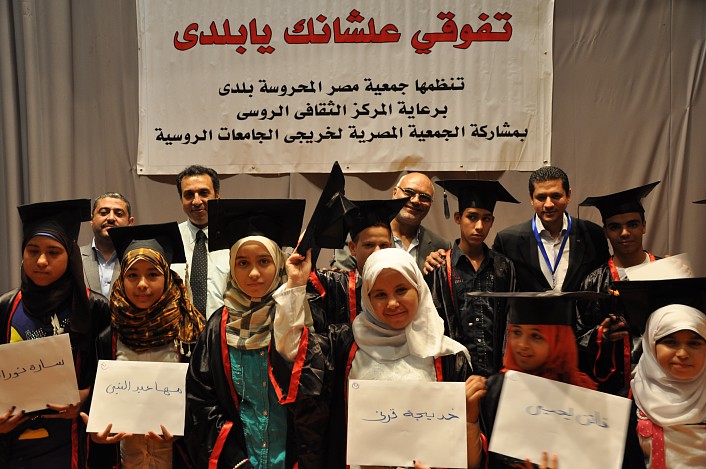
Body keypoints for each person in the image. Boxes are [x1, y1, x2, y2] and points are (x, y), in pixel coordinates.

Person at [271, 248, 484, 469]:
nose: (392, 303)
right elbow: (295, 352)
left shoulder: (449, 356)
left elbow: (469, 461)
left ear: (419, 288)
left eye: (401, 290)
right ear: (367, 298)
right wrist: (295, 285)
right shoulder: (343, 345)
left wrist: (470, 419)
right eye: (380, 294)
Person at [185, 198, 306, 469]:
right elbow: (201, 401)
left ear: (279, 263)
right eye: (242, 263)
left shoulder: (298, 315)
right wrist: (235, 461)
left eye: (264, 261)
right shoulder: (218, 327)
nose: (253, 273)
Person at [467, 292, 644, 468]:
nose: (522, 344)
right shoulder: (494, 391)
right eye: (516, 332)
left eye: (536, 336)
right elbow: (476, 463)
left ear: (559, 340)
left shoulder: (590, 404)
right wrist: (470, 420)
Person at [82, 222, 204, 468]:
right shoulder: (108, 337)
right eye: (132, 275)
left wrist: (186, 427)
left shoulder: (190, 333)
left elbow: (205, 400)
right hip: (126, 458)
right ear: (122, 278)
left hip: (178, 457)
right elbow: (98, 403)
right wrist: (96, 433)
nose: (142, 285)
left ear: (167, 277)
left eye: (152, 274)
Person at [0, 199, 111, 468]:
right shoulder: (6, 306)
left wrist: (85, 399)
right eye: (32, 251)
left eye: (53, 252)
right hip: (14, 441)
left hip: (73, 440)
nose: (41, 261)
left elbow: (108, 374)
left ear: (70, 255)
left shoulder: (94, 307)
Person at [426, 179, 519, 376]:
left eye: (486, 219)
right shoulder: (441, 267)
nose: (479, 226)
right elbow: (433, 326)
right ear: (458, 217)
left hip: (496, 373)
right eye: (472, 217)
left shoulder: (504, 267)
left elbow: (510, 321)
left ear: (492, 221)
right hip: (454, 375)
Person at [577, 182, 661, 393]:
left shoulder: (667, 272)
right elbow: (579, 335)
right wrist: (601, 335)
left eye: (632, 224)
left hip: (661, 384)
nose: (624, 233)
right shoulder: (593, 282)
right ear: (605, 231)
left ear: (644, 226)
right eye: (615, 227)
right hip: (613, 389)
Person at [614, 277, 706, 468]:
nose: (682, 354)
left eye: (695, 343)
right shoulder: (627, 405)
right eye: (670, 342)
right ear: (650, 345)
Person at [492, 166, 609, 292]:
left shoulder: (593, 235)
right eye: (541, 197)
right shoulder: (507, 241)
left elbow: (603, 282)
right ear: (531, 198)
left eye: (556, 196)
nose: (549, 204)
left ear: (568, 195)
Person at [307, 198, 408, 331]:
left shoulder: (404, 286)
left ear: (390, 246)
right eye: (369, 245)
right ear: (353, 248)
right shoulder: (335, 287)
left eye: (383, 245)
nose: (377, 252)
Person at [332, 172, 450, 272]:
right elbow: (345, 283)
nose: (415, 201)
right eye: (409, 192)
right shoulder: (360, 237)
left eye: (424, 197)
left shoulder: (441, 246)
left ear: (431, 204)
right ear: (394, 192)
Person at [171, 165, 230, 319]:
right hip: (181, 330)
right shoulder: (170, 239)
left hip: (224, 329)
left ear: (217, 196)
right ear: (181, 199)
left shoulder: (235, 239)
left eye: (204, 193)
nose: (196, 201)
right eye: (189, 195)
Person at [80, 192, 135, 297]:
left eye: (119, 214)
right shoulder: (73, 257)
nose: (111, 218)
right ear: (91, 220)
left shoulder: (138, 259)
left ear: (130, 222)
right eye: (104, 213)